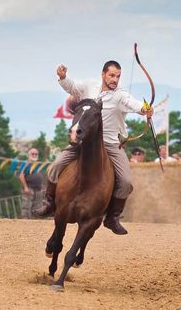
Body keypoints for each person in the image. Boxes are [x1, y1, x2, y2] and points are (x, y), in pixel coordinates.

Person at [36, 61, 153, 235]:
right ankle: (49, 202)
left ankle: (112, 217)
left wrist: (146, 109)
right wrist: (63, 77)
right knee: (55, 166)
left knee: (126, 183)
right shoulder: (90, 85)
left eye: (118, 76)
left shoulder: (121, 96)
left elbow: (136, 105)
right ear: (103, 74)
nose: (115, 80)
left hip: (110, 143)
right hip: (84, 140)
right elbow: (73, 88)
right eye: (112, 75)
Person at [18, 148, 45, 219]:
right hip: (29, 188)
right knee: (26, 206)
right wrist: (25, 187)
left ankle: (35, 222)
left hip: (38, 189)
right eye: (32, 154)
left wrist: (42, 186)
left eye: (36, 154)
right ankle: (25, 220)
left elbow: (40, 176)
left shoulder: (38, 165)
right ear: (29, 155)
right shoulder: (25, 164)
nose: (34, 155)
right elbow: (21, 175)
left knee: (38, 207)